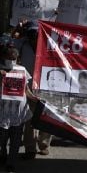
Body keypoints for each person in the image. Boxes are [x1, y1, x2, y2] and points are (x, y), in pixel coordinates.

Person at [14, 22, 53, 160]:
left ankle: (44, 145)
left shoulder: (49, 45)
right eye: (31, 33)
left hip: (46, 87)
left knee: (47, 117)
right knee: (29, 118)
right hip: (27, 87)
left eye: (36, 33)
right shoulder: (23, 45)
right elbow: (9, 47)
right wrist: (19, 31)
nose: (34, 36)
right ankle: (30, 148)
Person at [0, 41, 33, 172]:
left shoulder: (22, 70)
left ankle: (11, 162)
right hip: (3, 111)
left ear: (17, 59)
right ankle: (3, 153)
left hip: (18, 111)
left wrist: (34, 97)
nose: (11, 62)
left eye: (13, 59)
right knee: (2, 138)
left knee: (15, 138)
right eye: (9, 59)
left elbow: (26, 90)